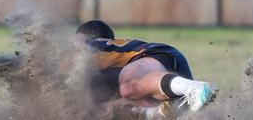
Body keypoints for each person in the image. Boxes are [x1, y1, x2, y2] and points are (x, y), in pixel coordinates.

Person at [76, 20, 217, 118]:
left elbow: (61, 68)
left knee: (128, 85)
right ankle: (163, 111)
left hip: (159, 55)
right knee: (104, 110)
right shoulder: (105, 68)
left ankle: (192, 88)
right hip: (163, 74)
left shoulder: (86, 48)